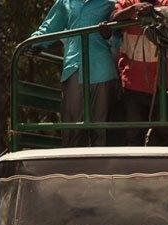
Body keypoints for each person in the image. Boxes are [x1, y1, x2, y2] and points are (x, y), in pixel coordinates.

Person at [29, 0, 119, 147]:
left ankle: (102, 166)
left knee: (101, 127)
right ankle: (72, 167)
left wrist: (109, 35)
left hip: (102, 69)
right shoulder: (66, 2)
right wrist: (34, 42)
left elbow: (118, 39)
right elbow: (50, 26)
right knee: (72, 125)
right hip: (74, 67)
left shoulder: (109, 4)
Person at [111, 0, 168, 145]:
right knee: (133, 134)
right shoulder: (127, 3)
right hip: (132, 83)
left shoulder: (166, 3)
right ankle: (133, 167)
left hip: (163, 83)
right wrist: (134, 9)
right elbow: (113, 17)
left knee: (167, 134)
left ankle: (167, 167)